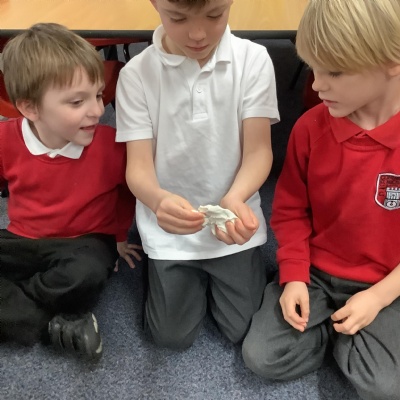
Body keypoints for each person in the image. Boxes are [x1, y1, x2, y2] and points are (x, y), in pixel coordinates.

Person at [242, 0, 400, 398]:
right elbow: (290, 210)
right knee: (261, 357)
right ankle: (342, 333)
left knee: (385, 386)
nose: (316, 85)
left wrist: (378, 297)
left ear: (392, 63)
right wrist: (294, 275)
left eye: (335, 72)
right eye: (313, 68)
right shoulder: (310, 128)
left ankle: (349, 335)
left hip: (388, 280)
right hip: (317, 273)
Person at [116, 0, 279, 349]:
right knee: (169, 337)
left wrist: (236, 197)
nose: (198, 34)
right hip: (169, 229)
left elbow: (259, 151)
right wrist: (157, 200)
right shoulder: (135, 75)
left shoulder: (253, 60)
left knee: (243, 331)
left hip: (233, 223)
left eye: (214, 15)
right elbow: (138, 167)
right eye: (178, 18)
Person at [0, 23, 141, 361]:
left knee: (86, 274)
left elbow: (129, 191)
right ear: (31, 108)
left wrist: (119, 235)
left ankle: (19, 309)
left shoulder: (110, 145)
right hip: (23, 239)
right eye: (78, 102)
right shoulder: (6, 139)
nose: (97, 110)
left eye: (98, 95)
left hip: (85, 243)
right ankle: (53, 324)